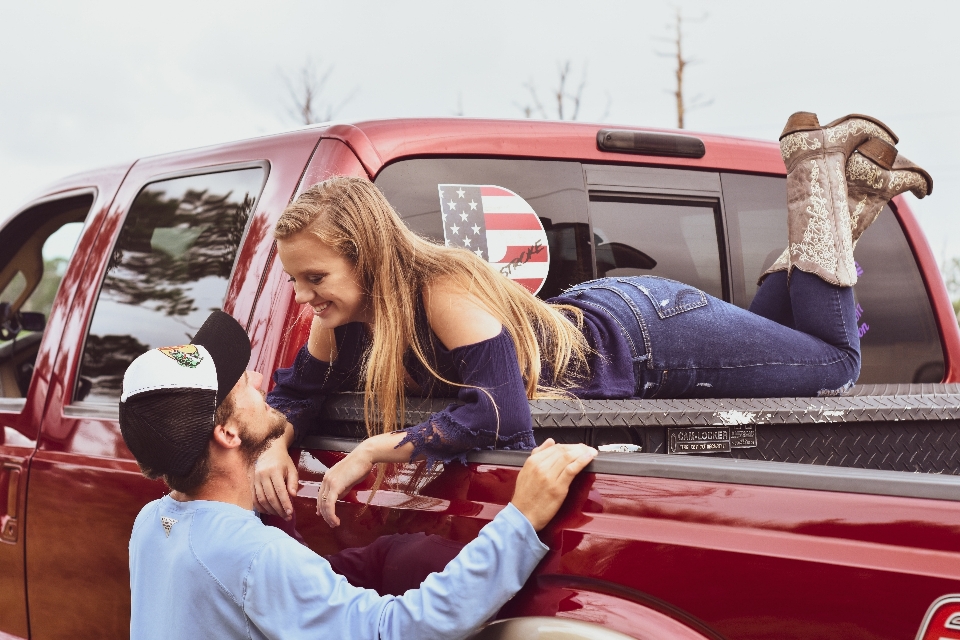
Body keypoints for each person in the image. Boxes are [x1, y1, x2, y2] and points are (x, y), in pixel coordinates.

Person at [255, 111, 932, 527]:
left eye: (315, 278)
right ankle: (850, 201)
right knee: (793, 346)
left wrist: (379, 448)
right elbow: (298, 393)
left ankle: (817, 175)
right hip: (615, 318)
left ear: (367, 257)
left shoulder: (440, 286)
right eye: (295, 280)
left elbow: (500, 414)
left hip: (651, 336)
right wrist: (276, 444)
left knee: (836, 363)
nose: (305, 295)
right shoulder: (343, 315)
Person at [120, 310, 598, 640]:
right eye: (243, 384)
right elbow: (395, 631)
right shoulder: (253, 557)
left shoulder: (152, 524)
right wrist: (520, 520)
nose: (262, 382)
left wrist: (389, 557)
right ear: (226, 432)